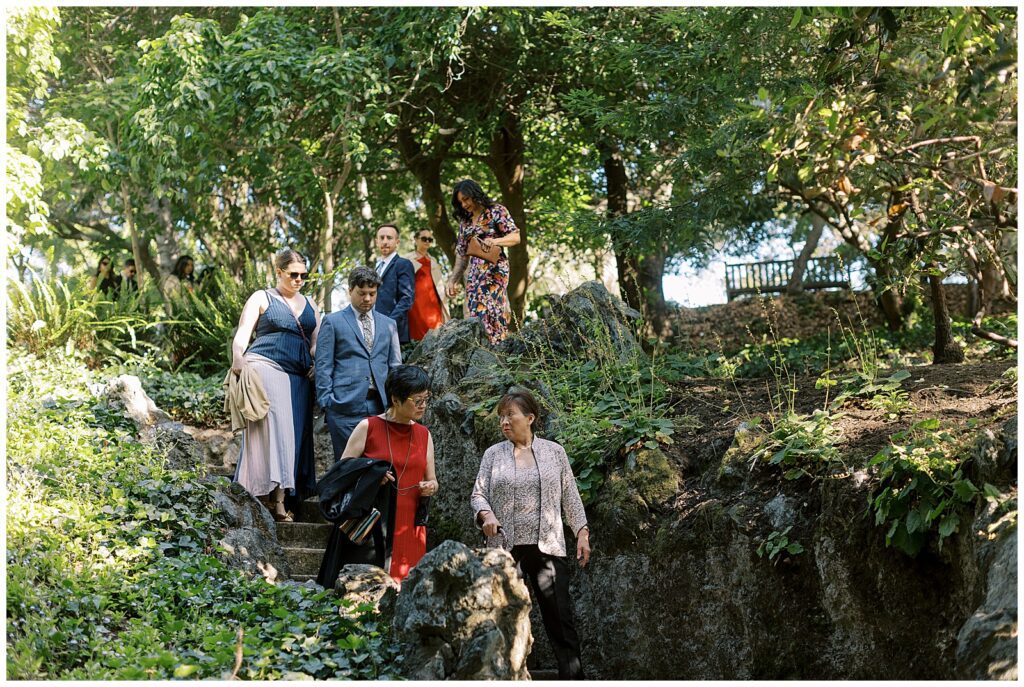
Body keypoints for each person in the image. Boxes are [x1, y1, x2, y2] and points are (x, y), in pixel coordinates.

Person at [471, 389, 590, 680]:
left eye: (510, 415)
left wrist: (582, 532)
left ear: (530, 417)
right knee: (504, 622)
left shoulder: (554, 452)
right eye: (501, 417)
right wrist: (486, 515)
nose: (504, 422)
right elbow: (478, 495)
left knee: (561, 622)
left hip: (548, 546)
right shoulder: (493, 455)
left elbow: (570, 497)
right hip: (505, 550)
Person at [318, 365, 438, 585]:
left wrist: (430, 486)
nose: (423, 406)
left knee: (408, 585)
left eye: (426, 399)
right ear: (395, 399)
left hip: (411, 523)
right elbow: (341, 474)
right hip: (374, 522)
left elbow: (432, 479)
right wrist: (372, 476)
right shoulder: (369, 427)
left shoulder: (424, 434)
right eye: (417, 400)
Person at [231, 248, 320, 521]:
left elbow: (316, 341)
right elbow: (242, 334)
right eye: (293, 274)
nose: (299, 280)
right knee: (276, 433)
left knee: (292, 436)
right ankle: (271, 500)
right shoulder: (262, 297)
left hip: (299, 377)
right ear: (278, 272)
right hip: (265, 365)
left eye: (303, 275)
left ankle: (282, 497)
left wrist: (318, 362)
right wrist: (238, 360)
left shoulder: (311, 303)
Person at [315, 266, 403, 457]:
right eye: (361, 293)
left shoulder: (389, 324)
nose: (367, 299)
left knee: (381, 466)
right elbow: (323, 365)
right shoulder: (332, 321)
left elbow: (395, 367)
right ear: (350, 291)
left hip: (381, 406)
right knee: (348, 467)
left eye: (372, 293)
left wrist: (396, 403)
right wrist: (327, 403)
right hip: (343, 407)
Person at [445, 179, 521, 345]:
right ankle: (482, 356)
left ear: (475, 194)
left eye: (466, 199)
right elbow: (461, 254)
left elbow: (516, 237)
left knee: (493, 311)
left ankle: (499, 351)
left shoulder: (496, 211)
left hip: (495, 272)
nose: (464, 205)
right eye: (460, 202)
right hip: (474, 275)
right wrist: (453, 280)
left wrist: (496, 242)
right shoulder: (465, 222)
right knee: (475, 314)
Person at [402, 228, 449, 341]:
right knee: (418, 334)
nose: (427, 241)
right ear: (416, 240)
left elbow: (440, 284)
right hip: (415, 302)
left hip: (433, 302)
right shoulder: (406, 259)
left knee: (436, 332)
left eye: (430, 239)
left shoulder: (433, 260)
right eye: (424, 239)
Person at [372, 223, 416, 345]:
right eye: (381, 238)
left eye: (389, 238)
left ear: (397, 242)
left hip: (394, 331)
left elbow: (407, 299)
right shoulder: (375, 268)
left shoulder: (403, 264)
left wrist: (389, 323)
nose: (385, 241)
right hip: (374, 329)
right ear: (376, 241)